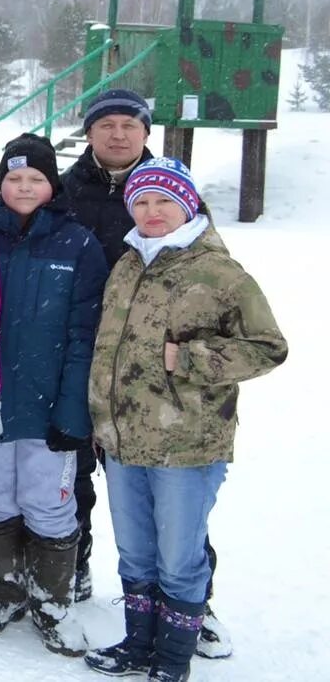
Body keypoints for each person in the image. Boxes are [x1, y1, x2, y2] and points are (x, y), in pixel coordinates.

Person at [85, 158, 287, 682]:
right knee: (135, 554)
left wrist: (194, 360)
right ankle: (138, 644)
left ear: (188, 204)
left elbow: (268, 347)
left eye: (164, 201)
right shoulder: (128, 263)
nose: (152, 212)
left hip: (186, 445)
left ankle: (173, 660)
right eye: (142, 201)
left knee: (180, 559)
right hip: (123, 441)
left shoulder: (219, 271)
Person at [0, 133, 107, 656]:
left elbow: (83, 333)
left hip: (49, 403)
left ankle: (52, 601)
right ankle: (3, 590)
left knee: (48, 503)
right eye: (13, 178)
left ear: (52, 185)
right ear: (0, 183)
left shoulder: (78, 243)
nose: (23, 187)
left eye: (35, 179)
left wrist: (74, 409)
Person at [58, 89, 153, 606]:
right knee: (72, 470)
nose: (118, 134)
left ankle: (182, 595)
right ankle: (74, 562)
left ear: (145, 132)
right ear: (90, 131)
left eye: (129, 125)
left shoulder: (167, 189)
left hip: (143, 361)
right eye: (107, 125)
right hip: (77, 349)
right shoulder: (65, 190)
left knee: (152, 480)